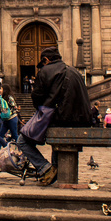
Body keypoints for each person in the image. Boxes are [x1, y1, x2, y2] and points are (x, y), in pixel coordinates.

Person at [16, 47, 92, 186]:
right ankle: (55, 170)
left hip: (61, 117)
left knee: (22, 141)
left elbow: (37, 97)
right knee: (57, 136)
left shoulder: (45, 71)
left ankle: (46, 168)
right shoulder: (74, 71)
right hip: (81, 119)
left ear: (46, 60)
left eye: (43, 62)